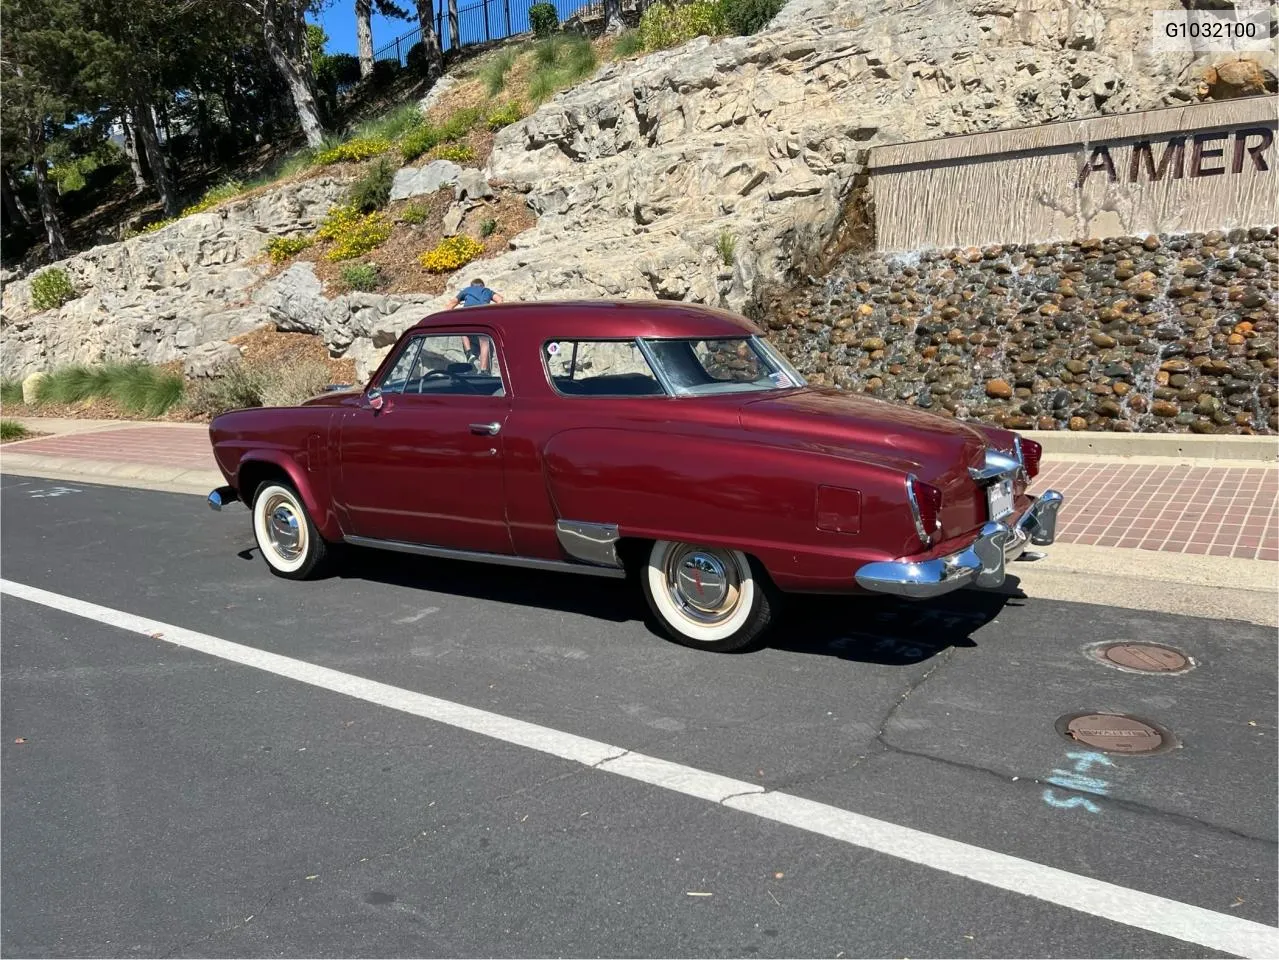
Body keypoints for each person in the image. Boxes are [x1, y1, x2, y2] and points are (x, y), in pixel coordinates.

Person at [444, 279, 503, 372]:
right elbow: (500, 299)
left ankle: (469, 352)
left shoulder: (467, 290)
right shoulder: (487, 290)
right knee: (484, 343)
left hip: (468, 315)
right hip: (483, 315)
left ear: (472, 285)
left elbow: (451, 303)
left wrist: (449, 317)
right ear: (482, 285)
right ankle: (483, 371)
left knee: (462, 329)